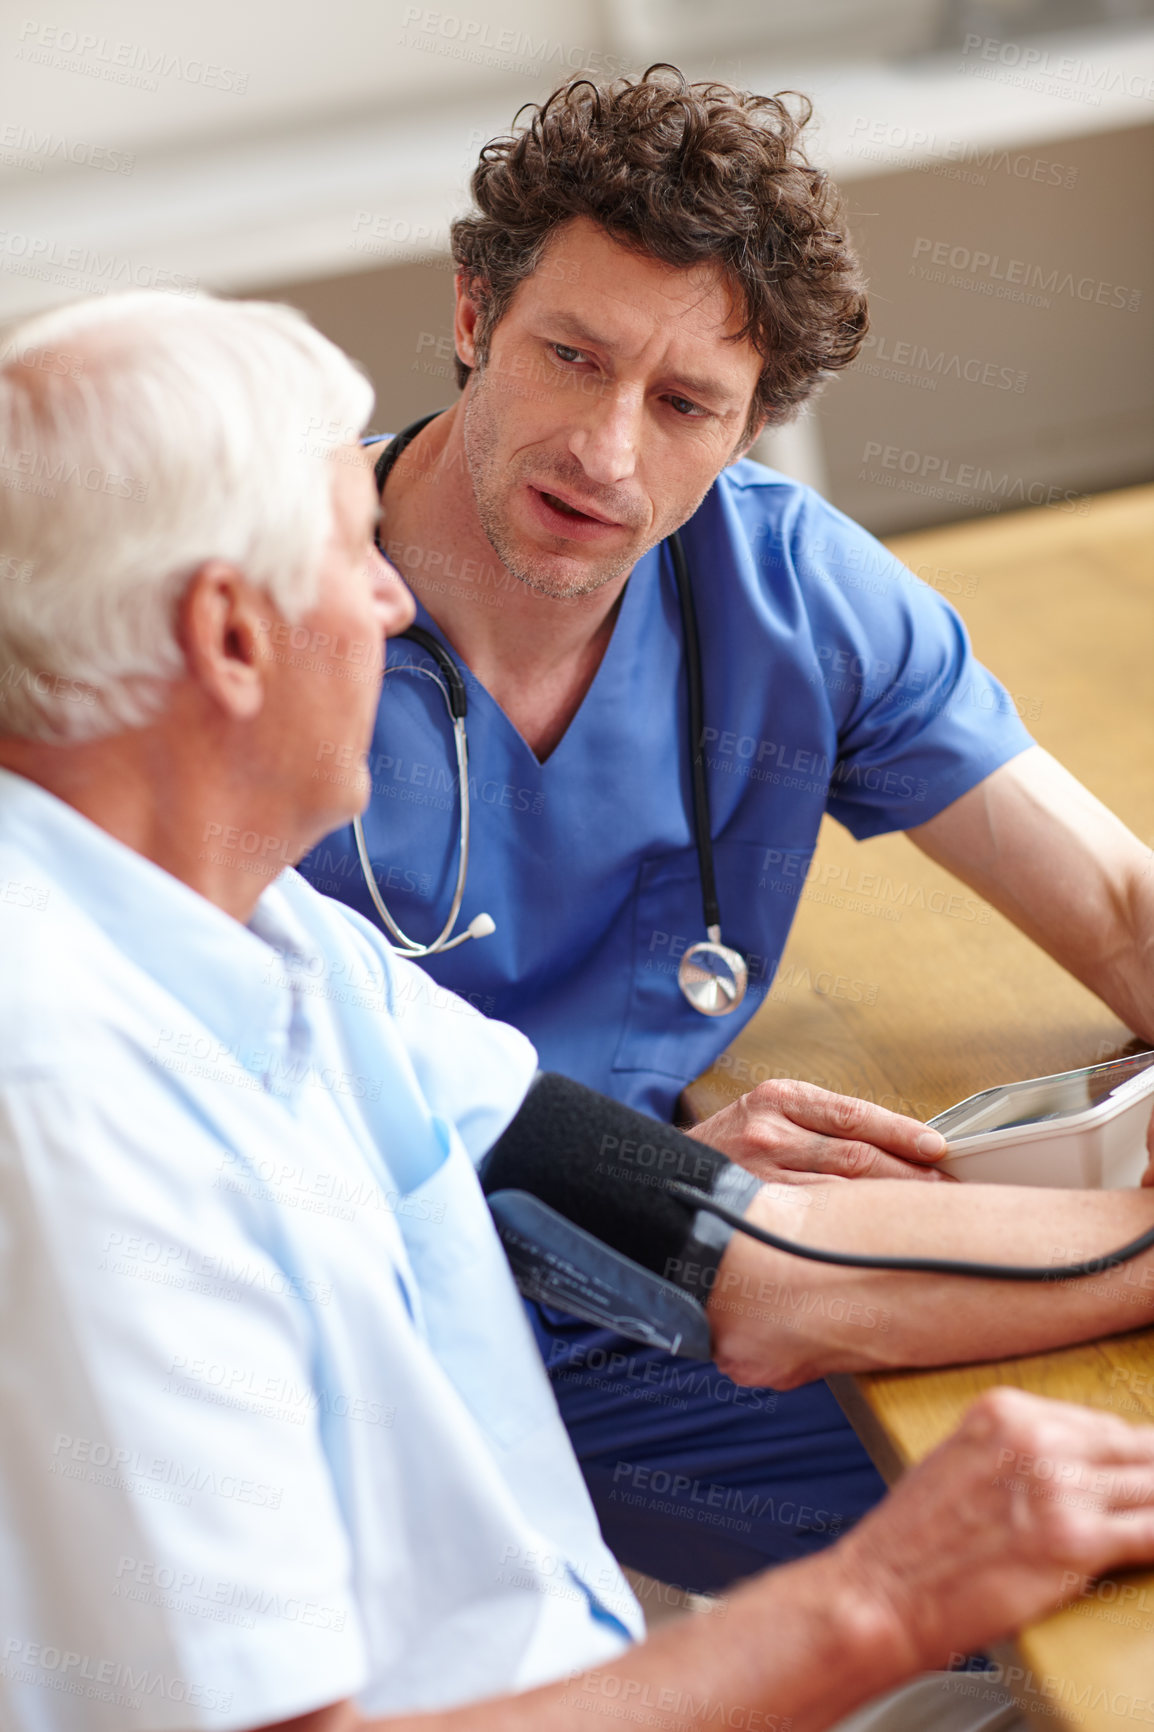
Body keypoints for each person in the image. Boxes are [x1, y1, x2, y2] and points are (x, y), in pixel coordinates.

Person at [4, 288, 1154, 1732]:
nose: (392, 600)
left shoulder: (264, 930)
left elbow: (734, 1255)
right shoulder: (65, 1108)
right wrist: (879, 1602)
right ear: (229, 635)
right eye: (345, 556)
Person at [297, 66, 1154, 1592]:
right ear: (473, 314)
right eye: (573, 357)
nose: (606, 453)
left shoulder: (782, 595)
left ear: (751, 425)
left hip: (693, 1243)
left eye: (687, 404)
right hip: (376, 1312)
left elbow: (1109, 904)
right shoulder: (252, 627)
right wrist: (645, 1173)